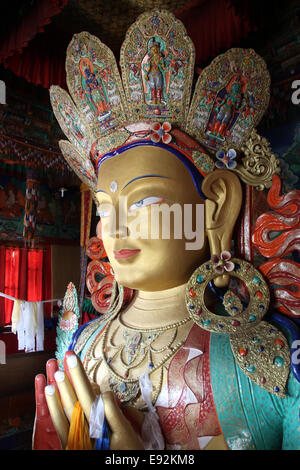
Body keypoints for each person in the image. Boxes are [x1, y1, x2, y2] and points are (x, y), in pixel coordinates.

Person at [33, 10, 300, 451]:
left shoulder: (266, 363)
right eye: (105, 207)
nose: (114, 227)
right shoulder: (81, 344)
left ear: (216, 205)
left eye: (144, 202)